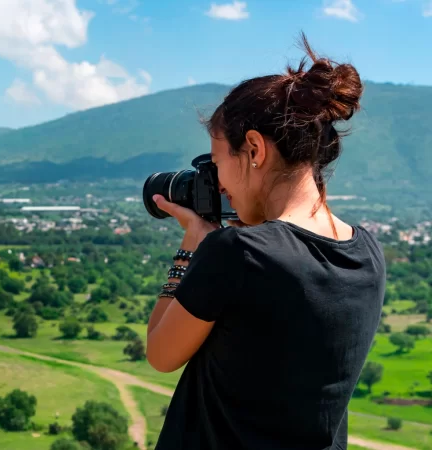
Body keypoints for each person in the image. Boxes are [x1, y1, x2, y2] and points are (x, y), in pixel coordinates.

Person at [146, 34, 386, 450]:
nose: (218, 184)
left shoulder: (238, 253)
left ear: (255, 148)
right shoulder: (367, 252)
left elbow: (160, 354)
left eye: (217, 163)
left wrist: (192, 246)